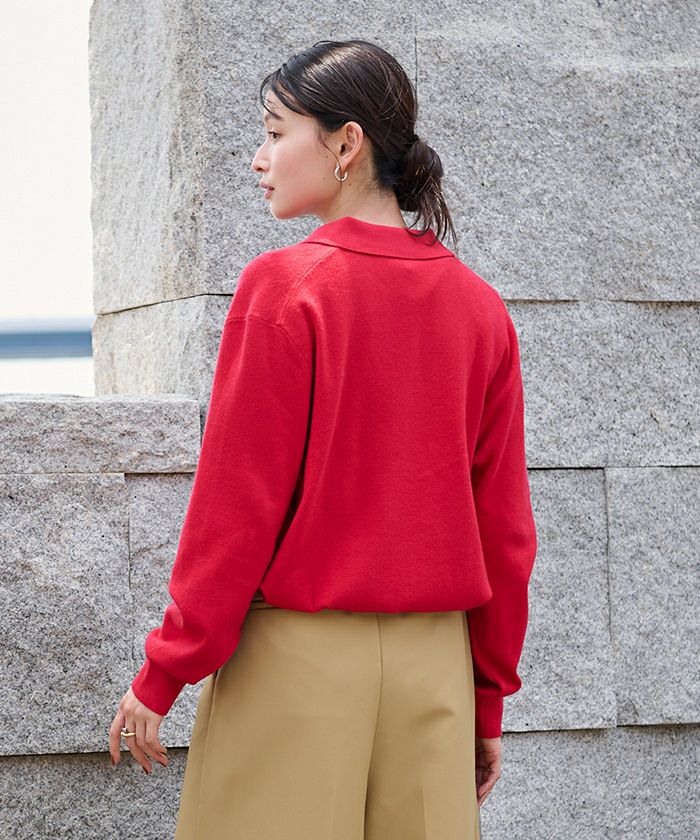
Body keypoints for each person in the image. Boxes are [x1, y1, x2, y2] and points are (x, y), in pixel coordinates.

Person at [108, 38, 537, 839]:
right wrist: (485, 699)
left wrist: (165, 671)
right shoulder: (480, 308)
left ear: (347, 144)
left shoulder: (286, 289)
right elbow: (506, 534)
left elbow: (237, 511)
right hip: (434, 677)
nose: (259, 158)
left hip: (296, 670)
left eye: (276, 133)